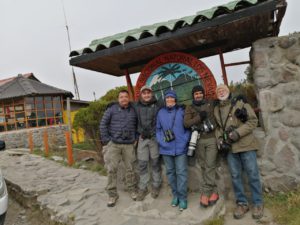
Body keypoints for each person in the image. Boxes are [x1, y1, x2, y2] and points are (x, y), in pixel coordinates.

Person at [214, 84, 263, 219]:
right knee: (235, 177)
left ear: (228, 91)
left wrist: (237, 133)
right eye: (219, 91)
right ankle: (242, 204)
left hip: (246, 145)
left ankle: (258, 203)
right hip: (230, 148)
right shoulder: (217, 109)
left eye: (223, 89)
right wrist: (219, 140)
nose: (221, 91)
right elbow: (219, 128)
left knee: (252, 174)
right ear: (217, 94)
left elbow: (253, 121)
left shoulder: (240, 103)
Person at [100, 90, 138, 207]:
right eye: (121, 97)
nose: (123, 99)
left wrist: (135, 137)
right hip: (114, 144)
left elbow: (138, 125)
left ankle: (131, 190)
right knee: (112, 170)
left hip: (129, 144)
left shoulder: (133, 110)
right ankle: (112, 194)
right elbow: (103, 124)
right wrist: (107, 141)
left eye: (126, 97)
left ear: (129, 98)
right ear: (118, 99)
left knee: (130, 168)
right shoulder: (111, 110)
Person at [184, 85, 219, 207]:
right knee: (204, 166)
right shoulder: (189, 107)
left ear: (203, 94)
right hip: (198, 140)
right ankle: (213, 191)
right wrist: (199, 117)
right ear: (193, 95)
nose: (198, 95)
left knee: (210, 165)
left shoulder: (210, 103)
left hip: (211, 139)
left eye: (200, 93)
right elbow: (186, 123)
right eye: (196, 94)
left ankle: (206, 193)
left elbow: (223, 100)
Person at [156, 90, 191, 211]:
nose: (169, 100)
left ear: (175, 100)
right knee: (170, 173)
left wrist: (185, 140)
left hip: (181, 148)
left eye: (172, 98)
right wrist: (161, 142)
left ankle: (183, 198)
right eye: (167, 98)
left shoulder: (182, 110)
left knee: (181, 173)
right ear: (165, 100)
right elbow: (158, 130)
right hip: (166, 149)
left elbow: (188, 127)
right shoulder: (160, 112)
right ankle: (175, 195)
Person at [134, 85, 162, 201]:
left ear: (151, 94)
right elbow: (135, 121)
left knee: (155, 162)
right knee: (142, 164)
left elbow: (158, 121)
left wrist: (151, 132)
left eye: (148, 93)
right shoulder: (137, 106)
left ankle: (156, 185)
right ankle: (143, 187)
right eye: (144, 93)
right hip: (142, 138)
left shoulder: (157, 105)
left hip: (153, 137)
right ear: (141, 94)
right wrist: (141, 132)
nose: (146, 95)